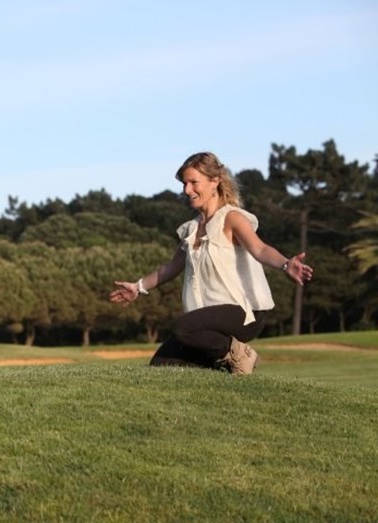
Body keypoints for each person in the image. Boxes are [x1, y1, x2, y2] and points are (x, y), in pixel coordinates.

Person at [109, 152, 313, 374]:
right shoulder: (191, 229)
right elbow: (172, 267)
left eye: (193, 182)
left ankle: (238, 353)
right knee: (161, 365)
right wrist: (138, 287)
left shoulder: (232, 218)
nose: (187, 190)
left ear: (215, 181)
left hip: (243, 313)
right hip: (208, 322)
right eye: (185, 184)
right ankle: (221, 364)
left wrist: (286, 264)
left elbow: (260, 248)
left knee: (183, 327)